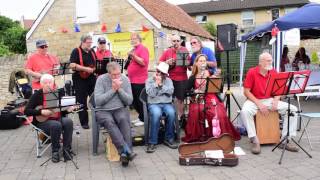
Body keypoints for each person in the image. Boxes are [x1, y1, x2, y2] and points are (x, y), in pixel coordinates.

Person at [240, 52, 299, 155]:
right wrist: (259, 103)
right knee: (244, 111)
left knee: (293, 109)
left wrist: (276, 100)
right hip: (254, 100)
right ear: (261, 62)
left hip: (269, 99)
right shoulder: (252, 72)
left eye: (271, 60)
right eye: (268, 60)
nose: (270, 62)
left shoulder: (274, 72)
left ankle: (285, 140)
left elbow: (279, 90)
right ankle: (254, 140)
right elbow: (246, 91)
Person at [182, 54, 240, 143]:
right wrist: (195, 91)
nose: (202, 63)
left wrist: (216, 79)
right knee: (198, 110)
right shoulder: (193, 77)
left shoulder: (211, 73)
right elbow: (185, 91)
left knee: (217, 112)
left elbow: (218, 88)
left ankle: (218, 135)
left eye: (204, 61)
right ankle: (202, 136)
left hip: (211, 97)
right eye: (200, 61)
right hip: (199, 99)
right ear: (196, 63)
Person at [94, 62, 136, 167]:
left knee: (123, 119)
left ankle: (124, 155)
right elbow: (98, 101)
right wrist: (113, 90)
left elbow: (129, 101)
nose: (117, 76)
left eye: (118, 74)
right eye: (114, 75)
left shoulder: (125, 79)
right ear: (108, 74)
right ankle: (127, 150)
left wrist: (119, 89)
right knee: (109, 122)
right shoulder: (101, 80)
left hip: (119, 108)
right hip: (103, 110)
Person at [24, 74, 74, 163]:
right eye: (45, 83)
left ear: (53, 83)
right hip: (42, 122)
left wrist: (68, 109)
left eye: (50, 82)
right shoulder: (37, 95)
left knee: (68, 122)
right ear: (41, 84)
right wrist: (41, 112)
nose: (48, 84)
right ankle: (55, 151)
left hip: (56, 118)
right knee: (56, 125)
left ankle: (66, 149)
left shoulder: (56, 93)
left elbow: (59, 109)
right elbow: (26, 111)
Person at [145, 62, 178, 153]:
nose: (158, 74)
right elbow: (151, 94)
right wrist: (156, 85)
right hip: (154, 104)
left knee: (171, 113)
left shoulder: (169, 81)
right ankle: (152, 142)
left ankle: (168, 138)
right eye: (158, 71)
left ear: (165, 74)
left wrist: (161, 86)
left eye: (161, 72)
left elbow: (170, 91)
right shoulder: (149, 80)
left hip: (166, 103)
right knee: (156, 114)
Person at [159, 34, 189, 124]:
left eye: (177, 41)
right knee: (170, 99)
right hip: (170, 78)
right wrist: (166, 62)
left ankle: (181, 118)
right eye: (174, 41)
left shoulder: (184, 50)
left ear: (180, 41)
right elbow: (160, 62)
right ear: (171, 42)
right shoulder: (167, 51)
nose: (176, 42)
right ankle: (172, 117)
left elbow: (189, 64)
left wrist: (184, 62)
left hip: (182, 78)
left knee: (180, 99)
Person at [69, 34, 96, 129]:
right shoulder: (76, 51)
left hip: (92, 78)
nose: (90, 44)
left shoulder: (92, 51)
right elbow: (72, 65)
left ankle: (99, 119)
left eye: (90, 42)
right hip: (79, 79)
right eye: (88, 43)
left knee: (95, 98)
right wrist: (85, 69)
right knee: (81, 101)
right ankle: (84, 122)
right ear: (83, 42)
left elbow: (95, 63)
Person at [127, 32, 149, 127]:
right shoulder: (134, 49)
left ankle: (144, 119)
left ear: (139, 39)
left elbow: (143, 62)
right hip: (132, 79)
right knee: (135, 101)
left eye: (134, 38)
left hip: (140, 80)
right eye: (131, 39)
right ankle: (140, 117)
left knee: (140, 101)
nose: (132, 40)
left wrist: (133, 56)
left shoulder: (142, 49)